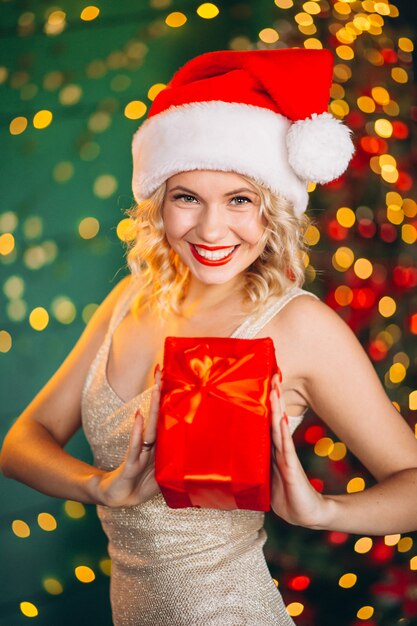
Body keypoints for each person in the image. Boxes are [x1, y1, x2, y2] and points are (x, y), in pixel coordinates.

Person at [1, 48, 417, 626]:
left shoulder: (299, 325)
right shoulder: (132, 299)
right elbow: (22, 443)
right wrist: (101, 487)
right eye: (187, 198)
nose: (211, 229)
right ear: (159, 206)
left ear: (273, 210)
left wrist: (321, 510)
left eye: (240, 200)